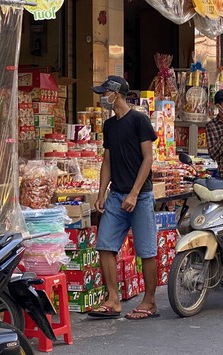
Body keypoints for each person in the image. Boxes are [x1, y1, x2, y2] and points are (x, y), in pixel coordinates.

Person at [88, 76, 159, 320]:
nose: (102, 98)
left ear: (116, 94)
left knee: (146, 250)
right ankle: (113, 299)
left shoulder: (139, 120)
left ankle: (149, 302)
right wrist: (101, 193)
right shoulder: (109, 126)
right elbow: (107, 160)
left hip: (139, 196)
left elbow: (148, 159)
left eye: (104, 92)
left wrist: (135, 193)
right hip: (116, 195)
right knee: (105, 245)